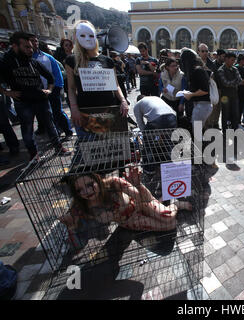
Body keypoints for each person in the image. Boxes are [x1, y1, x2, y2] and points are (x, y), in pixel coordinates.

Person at [59, 168, 192, 238]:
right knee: (171, 225)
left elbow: (139, 196)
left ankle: (176, 204)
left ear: (97, 180)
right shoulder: (81, 206)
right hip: (130, 219)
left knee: (168, 215)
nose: (87, 191)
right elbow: (74, 226)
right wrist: (70, 223)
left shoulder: (113, 183)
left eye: (89, 185)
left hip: (142, 202)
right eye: (80, 190)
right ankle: (162, 202)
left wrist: (136, 184)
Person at [0, 31, 68, 160]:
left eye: (31, 47)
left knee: (50, 124)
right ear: (15, 46)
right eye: (26, 47)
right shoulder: (6, 63)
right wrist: (7, 92)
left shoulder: (33, 62)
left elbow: (50, 77)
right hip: (23, 101)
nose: (31, 50)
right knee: (27, 129)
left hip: (40, 99)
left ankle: (58, 147)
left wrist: (49, 89)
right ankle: (33, 154)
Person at [65, 20, 128, 137]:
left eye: (90, 35)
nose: (87, 39)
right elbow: (71, 88)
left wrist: (123, 101)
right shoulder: (72, 61)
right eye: (83, 35)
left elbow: (116, 85)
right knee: (90, 146)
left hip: (109, 109)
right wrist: (74, 109)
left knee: (112, 144)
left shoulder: (107, 61)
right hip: (85, 111)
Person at [30, 36, 73, 139]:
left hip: (53, 89)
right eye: (32, 41)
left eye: (36, 41)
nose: (35, 43)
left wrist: (56, 87)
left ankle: (67, 131)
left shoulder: (47, 57)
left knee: (57, 111)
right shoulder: (26, 59)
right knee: (46, 114)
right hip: (37, 91)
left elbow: (57, 73)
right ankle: (55, 133)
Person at [179, 48, 212, 127]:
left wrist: (190, 95)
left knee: (197, 132)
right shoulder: (195, 70)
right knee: (198, 130)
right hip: (200, 105)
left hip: (203, 105)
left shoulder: (198, 71)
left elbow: (205, 90)